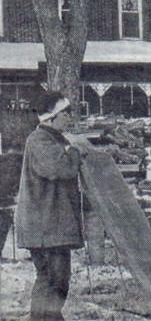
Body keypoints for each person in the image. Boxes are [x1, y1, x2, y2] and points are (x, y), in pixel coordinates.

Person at [15, 91, 87, 320]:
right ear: (52, 117)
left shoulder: (54, 139)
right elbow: (61, 169)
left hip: (51, 225)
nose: (70, 116)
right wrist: (75, 151)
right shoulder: (39, 140)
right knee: (51, 280)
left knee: (58, 281)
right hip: (44, 227)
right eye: (66, 112)